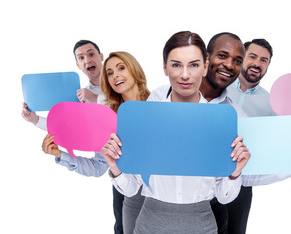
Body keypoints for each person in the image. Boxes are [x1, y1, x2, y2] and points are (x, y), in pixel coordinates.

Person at [148, 34, 291, 234]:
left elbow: (250, 169)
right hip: (159, 209)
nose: (229, 65)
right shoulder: (160, 96)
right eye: (222, 56)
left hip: (210, 206)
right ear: (206, 60)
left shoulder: (235, 116)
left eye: (237, 61)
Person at [101, 31, 251, 234]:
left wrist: (234, 173)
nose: (185, 75)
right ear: (165, 67)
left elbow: (224, 197)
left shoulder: (220, 121)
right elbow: (131, 188)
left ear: (205, 67)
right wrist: (115, 167)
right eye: (176, 64)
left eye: (194, 65)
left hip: (202, 226)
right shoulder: (146, 117)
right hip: (150, 225)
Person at [39, 49, 150, 233]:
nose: (116, 76)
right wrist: (60, 154)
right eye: (110, 73)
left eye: (121, 68)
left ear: (134, 70)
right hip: (131, 197)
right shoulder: (107, 118)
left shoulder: (160, 102)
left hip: (168, 200)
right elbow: (98, 166)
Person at [21, 40, 105, 131]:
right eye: (81, 58)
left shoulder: (119, 82)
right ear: (78, 65)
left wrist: (96, 98)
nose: (87, 60)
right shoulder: (82, 97)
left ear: (101, 57)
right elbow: (66, 128)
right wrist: (35, 120)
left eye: (91, 54)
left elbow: (121, 108)